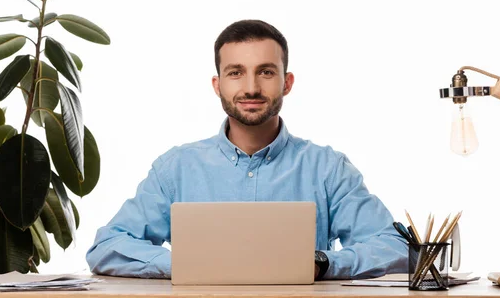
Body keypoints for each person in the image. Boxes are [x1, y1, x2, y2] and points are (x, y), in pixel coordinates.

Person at [86, 19, 407, 280]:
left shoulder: (328, 168)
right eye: (235, 72)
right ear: (218, 85)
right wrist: (184, 265)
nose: (251, 87)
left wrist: (323, 262)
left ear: (287, 82)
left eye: (266, 72)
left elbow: (395, 247)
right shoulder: (176, 167)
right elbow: (109, 246)